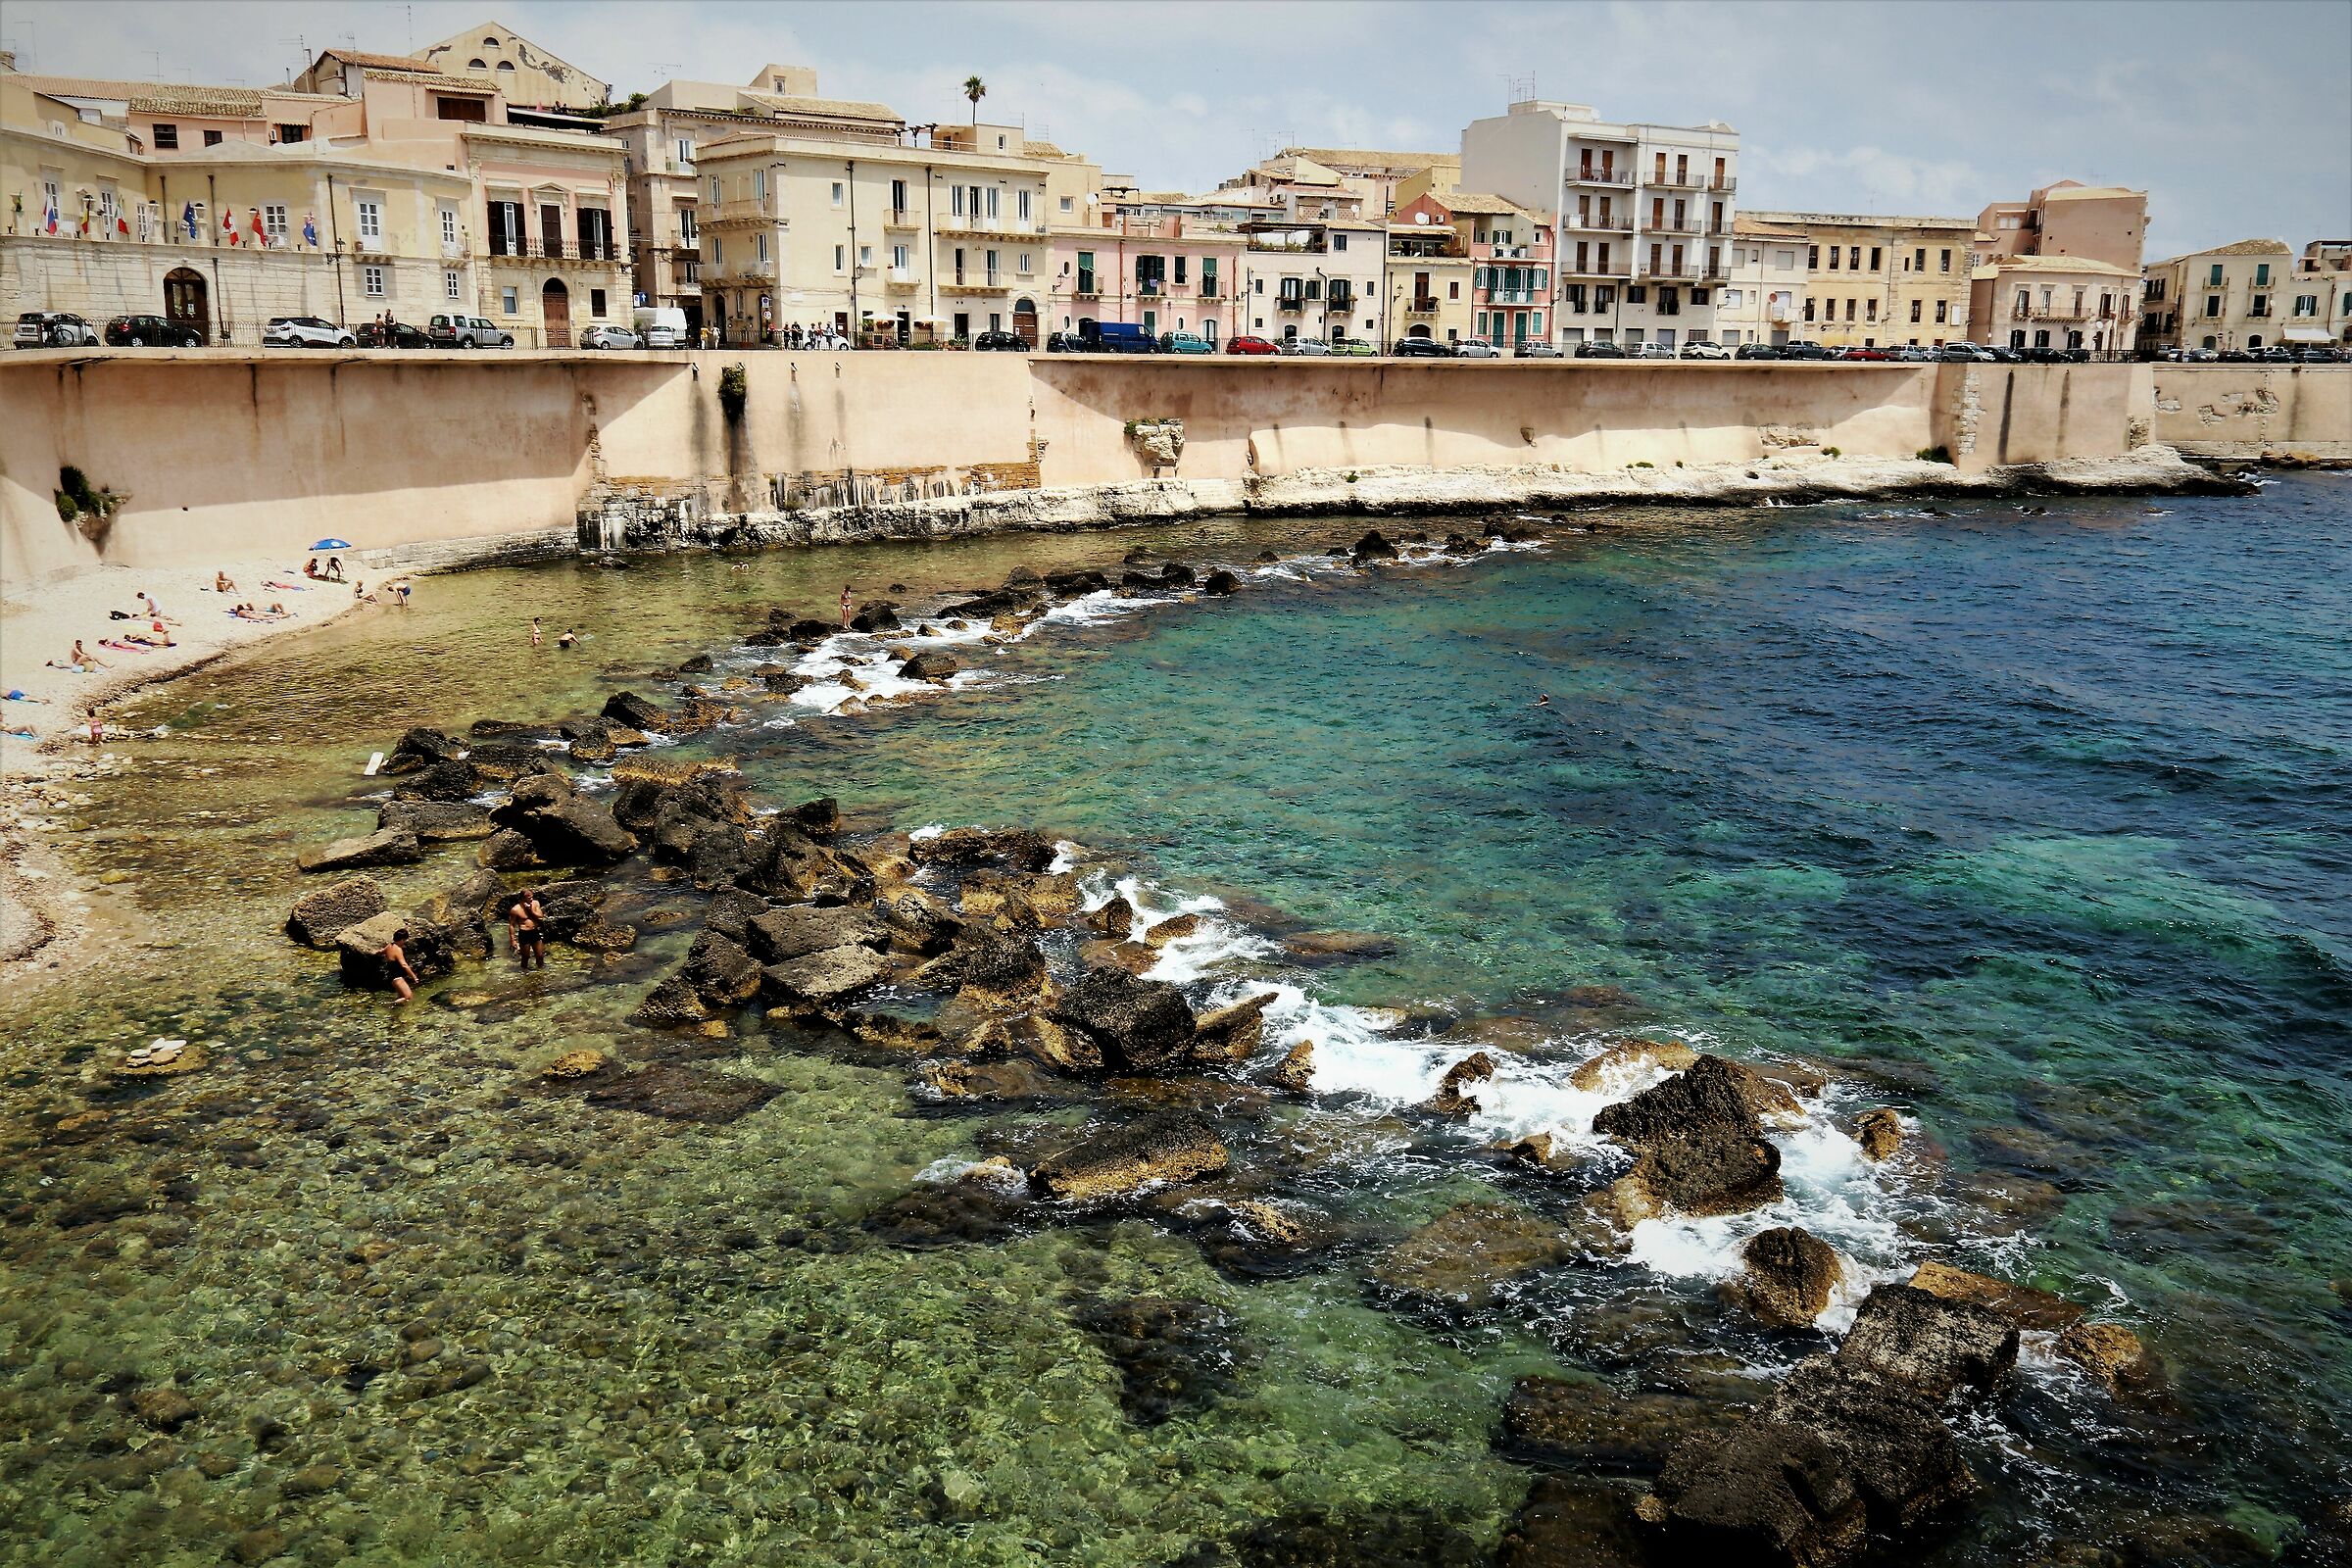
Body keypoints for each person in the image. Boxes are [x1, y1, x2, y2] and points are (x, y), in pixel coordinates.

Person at [507, 892, 547, 970]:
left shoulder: (535, 903)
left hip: (535, 932)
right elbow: (511, 925)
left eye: (532, 897)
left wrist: (531, 910)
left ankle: (541, 971)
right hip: (524, 934)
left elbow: (541, 916)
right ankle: (524, 973)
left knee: (540, 955)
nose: (531, 899)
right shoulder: (515, 909)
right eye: (529, 898)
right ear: (523, 898)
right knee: (526, 956)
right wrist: (512, 940)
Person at [379, 926, 420, 1003]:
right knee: (408, 997)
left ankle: (397, 1012)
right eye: (405, 940)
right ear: (401, 940)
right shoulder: (398, 949)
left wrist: (375, 952)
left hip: (392, 978)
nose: (405, 942)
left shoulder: (389, 946)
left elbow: (381, 951)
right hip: (397, 977)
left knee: (402, 997)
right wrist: (414, 977)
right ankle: (389, 1004)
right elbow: (404, 965)